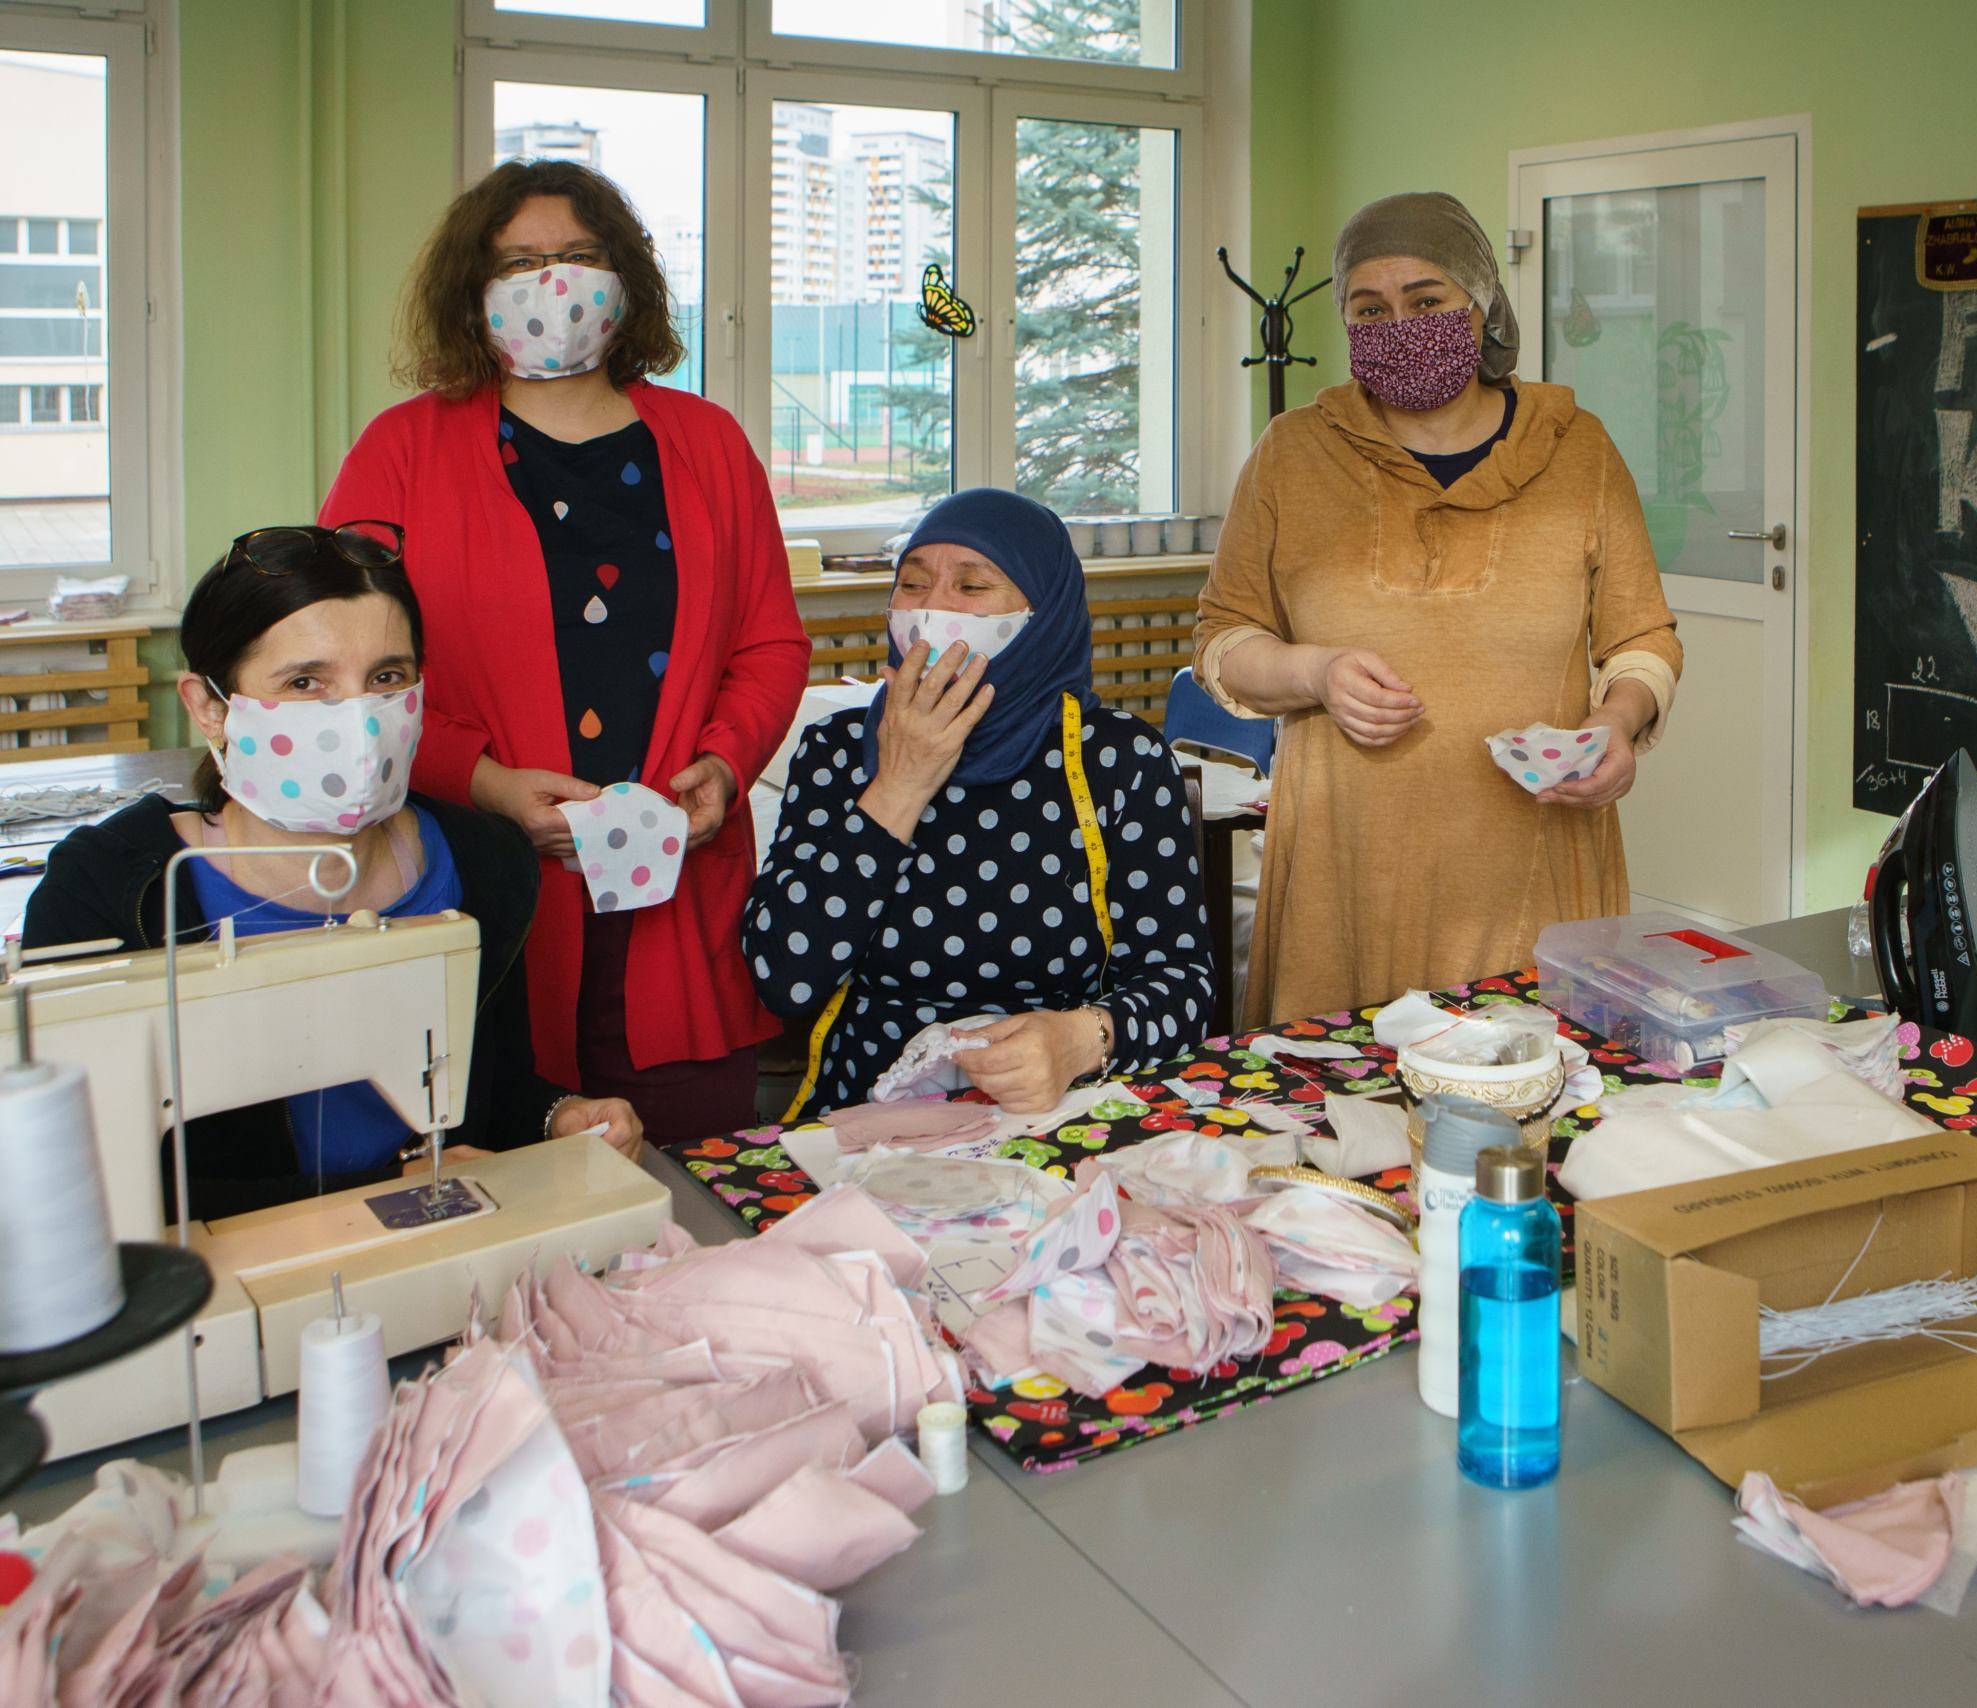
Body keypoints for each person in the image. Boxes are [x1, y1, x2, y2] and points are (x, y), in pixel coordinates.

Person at [321, 160, 810, 1142]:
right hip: (481, 883)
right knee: (509, 1201)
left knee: (689, 1199)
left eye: (580, 256)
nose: (554, 282)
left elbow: (768, 641)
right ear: (474, 290)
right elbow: (340, 670)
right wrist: (486, 781)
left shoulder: (709, 444)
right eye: (520, 262)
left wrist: (722, 763)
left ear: (624, 280)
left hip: (680, 889)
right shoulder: (402, 449)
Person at [22, 524, 641, 1221]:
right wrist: (386, 1189)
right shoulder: (107, 894)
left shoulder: (481, 862)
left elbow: (488, 1097)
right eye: (306, 682)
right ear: (209, 706)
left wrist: (556, 1117)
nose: (359, 719)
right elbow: (76, 1185)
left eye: (386, 678)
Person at [1193, 190, 1685, 1027]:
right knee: (1334, 1122)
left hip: (1533, 867)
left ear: (1482, 305)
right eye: (1369, 308)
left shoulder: (1577, 451)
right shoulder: (1293, 456)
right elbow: (1222, 639)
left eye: (1426, 301)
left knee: (1531, 1111)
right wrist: (1314, 671)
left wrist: (1619, 723)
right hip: (1343, 879)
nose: (1399, 325)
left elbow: (1643, 638)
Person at [746, 489, 1214, 1115]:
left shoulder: (1117, 762)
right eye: (912, 585)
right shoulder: (838, 752)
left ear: (1041, 613)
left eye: (971, 589)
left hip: (1061, 1108)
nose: (934, 609)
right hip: (868, 1112)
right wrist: (900, 784)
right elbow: (784, 977)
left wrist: (1080, 1039)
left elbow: (1183, 983)